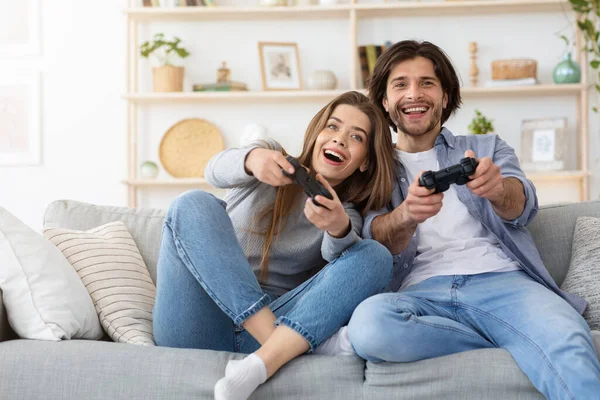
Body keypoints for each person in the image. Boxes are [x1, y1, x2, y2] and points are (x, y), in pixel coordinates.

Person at [346, 40, 600, 399]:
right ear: (385, 101)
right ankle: (511, 335)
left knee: (568, 336)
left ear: (446, 96)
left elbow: (523, 205)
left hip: (502, 283)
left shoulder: (486, 147)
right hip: (421, 294)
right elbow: (370, 235)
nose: (414, 94)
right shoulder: (371, 166)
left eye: (427, 83)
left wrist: (498, 189)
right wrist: (405, 216)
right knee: (369, 327)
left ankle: (520, 330)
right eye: (400, 84)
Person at [152, 91, 396, 400]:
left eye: (356, 137)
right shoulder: (268, 158)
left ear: (365, 163)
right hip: (198, 321)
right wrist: (252, 160)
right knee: (193, 202)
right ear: (317, 133)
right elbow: (213, 169)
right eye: (333, 127)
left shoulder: (344, 213)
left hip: (273, 328)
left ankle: (260, 364)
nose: (340, 140)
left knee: (374, 255)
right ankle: (279, 348)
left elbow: (339, 257)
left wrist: (336, 227)